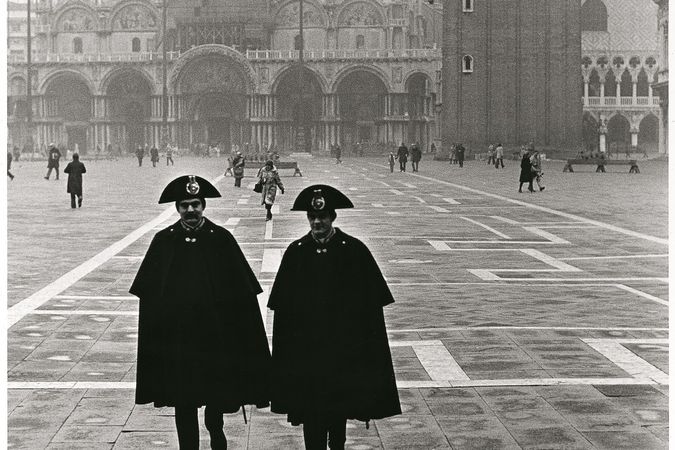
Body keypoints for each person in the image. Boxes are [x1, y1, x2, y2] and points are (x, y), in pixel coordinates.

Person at [130, 175, 271, 450]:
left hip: (215, 339)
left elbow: (242, 295)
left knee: (215, 395)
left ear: (203, 205)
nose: (190, 210)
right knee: (183, 400)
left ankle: (216, 431)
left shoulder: (221, 239)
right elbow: (150, 298)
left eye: (195, 204)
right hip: (180, 341)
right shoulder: (164, 241)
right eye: (184, 205)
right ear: (177, 209)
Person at [268, 184, 401, 450]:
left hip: (344, 352)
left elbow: (371, 313)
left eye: (323, 217)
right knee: (311, 416)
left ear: (333, 218)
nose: (317, 222)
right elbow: (283, 313)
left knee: (338, 416)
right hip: (309, 354)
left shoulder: (353, 250)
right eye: (312, 217)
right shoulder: (296, 252)